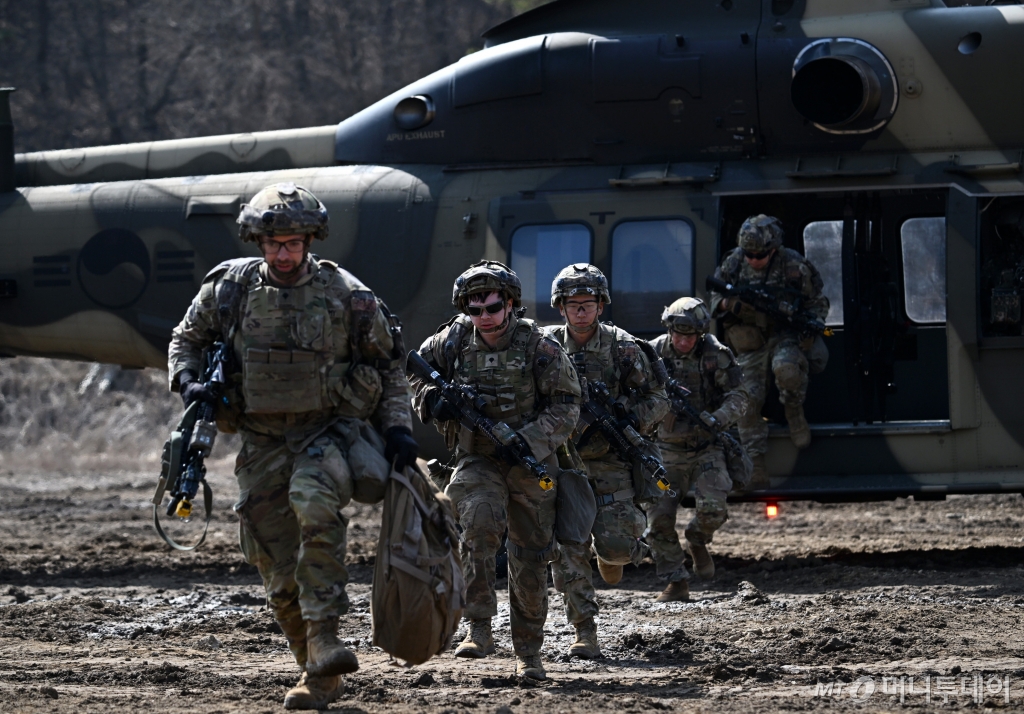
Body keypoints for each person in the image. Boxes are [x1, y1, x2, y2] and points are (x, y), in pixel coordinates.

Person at [167, 183, 418, 710]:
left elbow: (391, 366)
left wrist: (398, 429)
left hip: (327, 431)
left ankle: (327, 633)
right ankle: (316, 668)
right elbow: (185, 340)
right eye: (274, 243)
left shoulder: (346, 296)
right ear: (258, 241)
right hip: (260, 439)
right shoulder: (228, 291)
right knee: (273, 563)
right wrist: (189, 381)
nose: (283, 253)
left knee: (315, 507)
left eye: (293, 243)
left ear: (310, 241)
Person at [409, 260, 581, 681]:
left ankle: (528, 651)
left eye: (491, 307)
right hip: (477, 459)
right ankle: (479, 627)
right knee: (478, 525)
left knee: (530, 556)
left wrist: (531, 439)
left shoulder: (538, 346)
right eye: (474, 308)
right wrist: (434, 402)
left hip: (530, 463)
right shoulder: (452, 340)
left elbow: (567, 403)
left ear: (509, 304)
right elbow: (414, 376)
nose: (483, 317)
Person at [543, 264, 669, 659]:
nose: (581, 311)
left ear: (601, 305)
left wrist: (629, 416)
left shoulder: (624, 347)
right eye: (573, 304)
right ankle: (586, 631)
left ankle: (611, 557)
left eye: (589, 303)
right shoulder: (544, 346)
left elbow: (659, 398)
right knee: (568, 550)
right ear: (560, 307)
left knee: (615, 548)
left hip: (612, 461)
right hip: (563, 462)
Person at [709, 215, 829, 485]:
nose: (753, 259)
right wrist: (732, 306)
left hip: (785, 336)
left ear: (773, 248)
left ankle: (794, 412)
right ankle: (756, 462)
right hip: (749, 342)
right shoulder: (734, 262)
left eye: (759, 255)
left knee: (787, 371)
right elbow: (714, 299)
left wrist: (811, 326)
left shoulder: (794, 265)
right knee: (747, 399)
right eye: (749, 254)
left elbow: (817, 302)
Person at [644, 297, 749, 602]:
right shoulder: (653, 353)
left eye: (689, 336)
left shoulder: (716, 354)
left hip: (707, 447)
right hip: (665, 450)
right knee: (657, 521)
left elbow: (740, 396)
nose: (682, 341)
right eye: (677, 335)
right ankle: (676, 581)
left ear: (700, 333)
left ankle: (696, 540)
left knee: (713, 510)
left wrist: (718, 418)